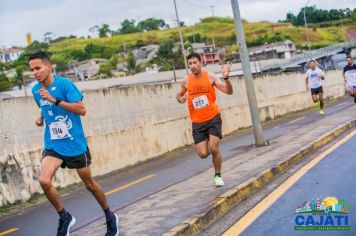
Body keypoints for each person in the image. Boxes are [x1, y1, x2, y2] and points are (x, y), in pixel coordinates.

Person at [29, 51, 119, 236]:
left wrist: (56, 100)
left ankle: (110, 216)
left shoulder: (64, 84)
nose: (35, 73)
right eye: (32, 70)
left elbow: (81, 109)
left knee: (90, 185)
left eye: (38, 68)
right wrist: (41, 118)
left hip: (75, 144)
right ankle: (64, 217)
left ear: (48, 66)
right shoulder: (35, 91)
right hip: (53, 144)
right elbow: (46, 108)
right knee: (44, 180)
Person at [176, 53, 233, 187]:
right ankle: (209, 148)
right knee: (203, 154)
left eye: (195, 62)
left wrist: (226, 78)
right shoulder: (186, 81)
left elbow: (228, 91)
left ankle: (218, 175)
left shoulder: (210, 77)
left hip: (213, 117)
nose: (193, 66)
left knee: (213, 148)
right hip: (197, 122)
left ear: (200, 63)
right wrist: (181, 98)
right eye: (190, 64)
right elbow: (179, 95)